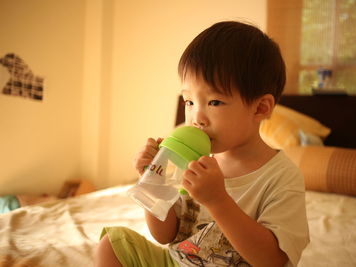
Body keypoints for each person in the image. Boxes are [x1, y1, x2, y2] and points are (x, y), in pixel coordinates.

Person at [94, 20, 309, 267]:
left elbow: (273, 260)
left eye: (214, 102)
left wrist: (218, 201)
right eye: (189, 102)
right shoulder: (190, 159)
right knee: (113, 244)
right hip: (178, 262)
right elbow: (165, 235)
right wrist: (153, 180)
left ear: (260, 108)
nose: (196, 118)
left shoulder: (282, 177)